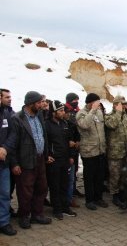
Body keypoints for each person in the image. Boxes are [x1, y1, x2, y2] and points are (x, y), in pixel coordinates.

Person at [10, 91, 52, 229]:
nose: (41, 105)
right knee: (25, 191)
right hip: (25, 161)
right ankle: (24, 216)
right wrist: (14, 163)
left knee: (41, 187)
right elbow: (13, 143)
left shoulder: (39, 115)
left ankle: (37, 214)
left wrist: (46, 155)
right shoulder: (17, 118)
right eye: (39, 102)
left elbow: (43, 135)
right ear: (30, 103)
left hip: (39, 159)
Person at [45, 100, 77, 220]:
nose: (63, 112)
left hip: (64, 159)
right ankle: (57, 209)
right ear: (54, 112)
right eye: (60, 110)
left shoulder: (64, 124)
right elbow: (45, 142)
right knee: (55, 185)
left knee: (65, 184)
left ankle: (65, 207)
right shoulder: (47, 124)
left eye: (63, 110)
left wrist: (71, 156)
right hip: (54, 160)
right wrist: (47, 155)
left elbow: (69, 141)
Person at [76, 93, 107, 210]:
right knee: (89, 177)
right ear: (90, 103)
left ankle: (98, 198)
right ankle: (89, 200)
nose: (98, 105)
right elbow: (85, 125)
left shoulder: (99, 112)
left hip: (100, 150)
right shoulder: (81, 114)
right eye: (96, 102)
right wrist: (92, 111)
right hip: (88, 151)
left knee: (99, 177)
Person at [104, 95, 127, 206]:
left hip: (126, 152)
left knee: (123, 175)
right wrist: (118, 112)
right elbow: (112, 124)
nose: (124, 106)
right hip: (115, 152)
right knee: (115, 175)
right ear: (116, 105)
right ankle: (114, 195)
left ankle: (121, 193)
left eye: (125, 104)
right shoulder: (109, 116)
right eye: (122, 104)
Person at [0, 90, 17, 236]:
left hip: (3, 163)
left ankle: (4, 222)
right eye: (7, 97)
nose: (9, 99)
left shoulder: (7, 113)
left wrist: (4, 148)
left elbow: (13, 133)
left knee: (5, 194)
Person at [65, 92, 84, 199]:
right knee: (69, 171)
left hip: (76, 144)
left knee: (75, 168)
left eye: (77, 100)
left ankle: (73, 189)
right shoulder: (66, 112)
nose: (76, 102)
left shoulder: (77, 111)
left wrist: (78, 140)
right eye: (74, 100)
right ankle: (68, 193)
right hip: (68, 145)